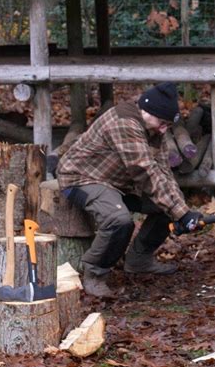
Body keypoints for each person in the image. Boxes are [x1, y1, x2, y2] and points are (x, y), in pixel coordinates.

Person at [57, 82, 203, 298]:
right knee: (118, 219)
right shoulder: (124, 123)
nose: (164, 130)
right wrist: (181, 213)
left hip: (120, 182)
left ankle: (139, 259)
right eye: (161, 123)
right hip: (82, 178)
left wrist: (182, 211)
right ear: (146, 111)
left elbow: (162, 172)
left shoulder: (154, 128)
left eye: (167, 125)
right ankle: (94, 274)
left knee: (168, 205)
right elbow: (145, 171)